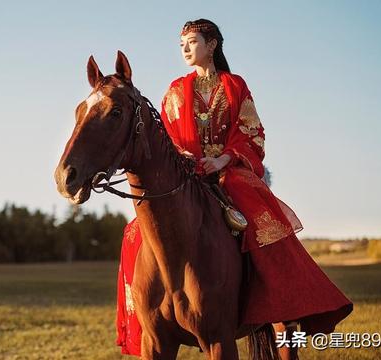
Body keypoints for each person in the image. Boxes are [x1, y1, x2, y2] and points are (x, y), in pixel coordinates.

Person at [116, 19, 353, 358]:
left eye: (192, 41)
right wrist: (182, 155)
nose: (185, 48)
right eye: (181, 43)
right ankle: (142, 311)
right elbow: (165, 138)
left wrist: (224, 159)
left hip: (227, 172)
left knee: (257, 217)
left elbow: (252, 133)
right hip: (187, 174)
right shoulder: (173, 91)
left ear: (211, 45)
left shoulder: (234, 86)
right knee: (135, 233)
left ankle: (278, 297)